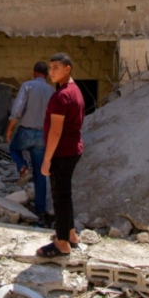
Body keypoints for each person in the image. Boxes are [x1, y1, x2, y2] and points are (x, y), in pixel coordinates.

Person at [37, 53, 85, 258]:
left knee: (59, 197)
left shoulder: (61, 96)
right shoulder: (75, 91)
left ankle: (62, 243)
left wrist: (47, 159)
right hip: (72, 149)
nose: (51, 72)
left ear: (68, 69)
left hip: (62, 152)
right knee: (65, 195)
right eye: (50, 67)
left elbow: (55, 131)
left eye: (56, 67)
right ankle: (71, 234)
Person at [5, 62, 54, 222]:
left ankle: (22, 166)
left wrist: (10, 129)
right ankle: (40, 210)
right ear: (46, 75)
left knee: (14, 149)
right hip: (43, 135)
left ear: (34, 72)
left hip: (26, 131)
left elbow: (17, 109)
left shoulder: (27, 86)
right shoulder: (52, 91)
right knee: (41, 173)